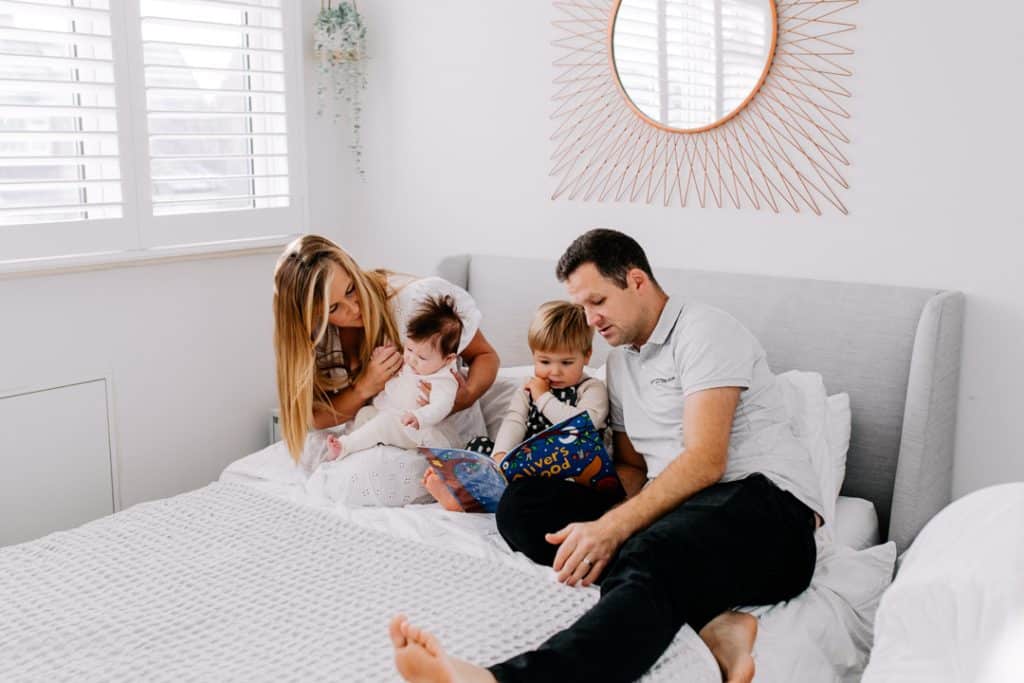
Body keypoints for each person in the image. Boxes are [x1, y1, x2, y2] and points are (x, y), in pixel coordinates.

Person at [388, 229, 823, 683]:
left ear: (636, 281)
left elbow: (705, 461)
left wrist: (613, 526)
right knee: (524, 507)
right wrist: (582, 495)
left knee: (653, 549)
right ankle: (716, 622)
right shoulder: (619, 365)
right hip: (680, 513)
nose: (590, 319)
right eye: (582, 307)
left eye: (597, 301)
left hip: (768, 511)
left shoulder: (704, 330)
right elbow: (634, 469)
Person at [272, 235, 499, 502]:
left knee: (357, 477)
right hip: (381, 422)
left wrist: (463, 396)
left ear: (353, 269)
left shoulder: (415, 302)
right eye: (334, 308)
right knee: (306, 453)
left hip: (434, 432)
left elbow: (485, 356)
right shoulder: (318, 337)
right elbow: (311, 416)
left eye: (350, 289)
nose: (354, 308)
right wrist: (364, 388)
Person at [422, 300, 609, 511]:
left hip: (569, 470)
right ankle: (467, 495)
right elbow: (514, 421)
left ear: (586, 356)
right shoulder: (529, 387)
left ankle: (479, 499)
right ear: (534, 356)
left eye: (566, 363)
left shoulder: (591, 388)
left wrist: (543, 398)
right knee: (479, 447)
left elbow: (584, 425)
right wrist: (500, 455)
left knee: (549, 492)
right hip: (526, 467)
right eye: (545, 362)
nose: (555, 372)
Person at [325, 295, 463, 461]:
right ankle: (359, 447)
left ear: (448, 359)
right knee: (365, 415)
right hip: (391, 414)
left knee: (384, 424)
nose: (411, 359)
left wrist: (420, 417)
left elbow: (441, 406)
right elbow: (394, 381)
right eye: (409, 349)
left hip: (414, 430)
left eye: (422, 357)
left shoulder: (442, 380)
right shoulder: (414, 365)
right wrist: (380, 357)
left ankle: (344, 446)